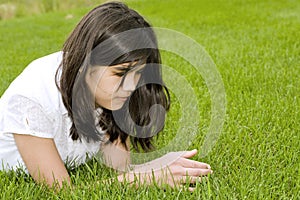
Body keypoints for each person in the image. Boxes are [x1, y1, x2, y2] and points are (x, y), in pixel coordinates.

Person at [0, 2, 212, 191]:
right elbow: (61, 192)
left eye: (138, 73)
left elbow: (118, 166)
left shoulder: (107, 92)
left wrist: (154, 168)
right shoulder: (31, 99)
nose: (131, 86)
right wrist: (143, 178)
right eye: (121, 73)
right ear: (85, 63)